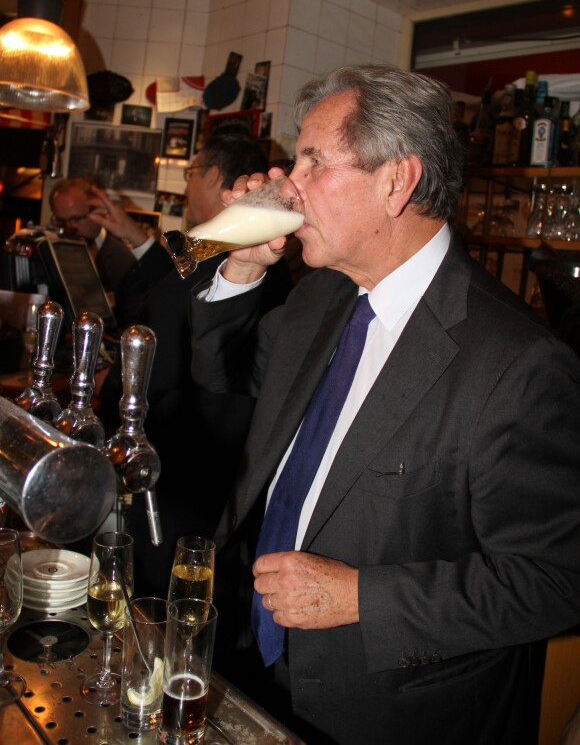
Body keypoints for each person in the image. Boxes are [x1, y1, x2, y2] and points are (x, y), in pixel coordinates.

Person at [187, 65, 580, 745]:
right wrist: (238, 264)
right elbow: (223, 385)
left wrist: (359, 598)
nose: (288, 183)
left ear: (396, 181)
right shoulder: (318, 296)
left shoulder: (519, 364)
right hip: (247, 668)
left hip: (389, 711)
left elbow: (555, 579)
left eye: (313, 160)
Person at [91, 133, 295, 595]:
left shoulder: (251, 257)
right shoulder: (211, 246)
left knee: (160, 587)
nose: (185, 185)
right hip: (188, 459)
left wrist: (114, 391)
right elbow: (173, 274)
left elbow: (170, 331)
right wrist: (132, 234)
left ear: (218, 178)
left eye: (191, 172)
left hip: (189, 459)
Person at [48, 177, 136, 296]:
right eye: (61, 221)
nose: (69, 228)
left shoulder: (124, 262)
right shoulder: (50, 251)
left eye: (76, 219)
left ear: (97, 210)